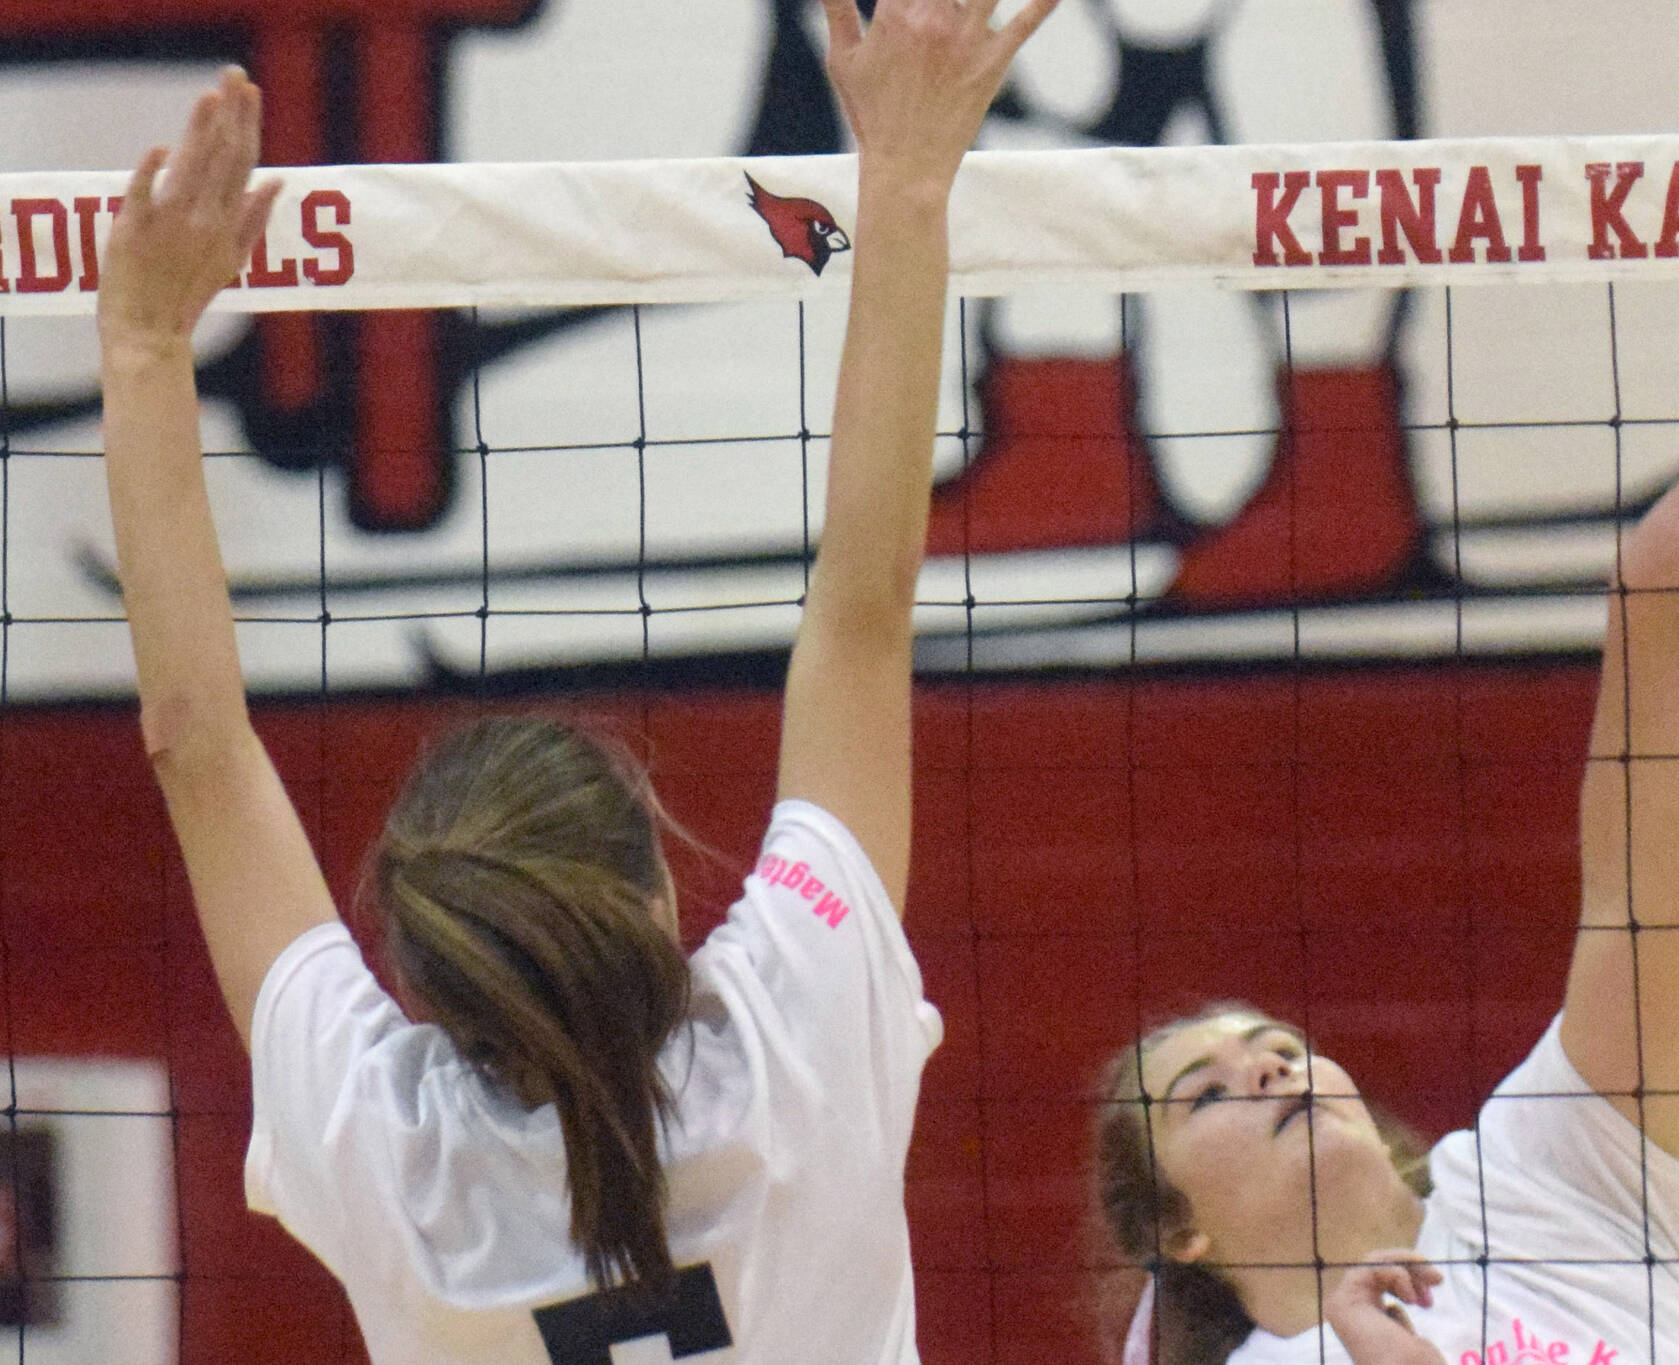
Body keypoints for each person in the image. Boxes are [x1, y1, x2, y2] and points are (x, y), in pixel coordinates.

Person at [94, 1, 1056, 1360]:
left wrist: (140, 347)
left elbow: (197, 741)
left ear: (435, 974)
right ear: (655, 894)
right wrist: (903, 180)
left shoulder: (383, 1146)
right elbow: (864, 619)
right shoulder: (795, 1026)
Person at [1096, 454, 1679, 1365]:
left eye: (1283, 1052)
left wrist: (1651, 590)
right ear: (1178, 1233)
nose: (1267, 1075)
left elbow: (1649, 902)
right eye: (1204, 1093)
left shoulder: (1535, 1177)